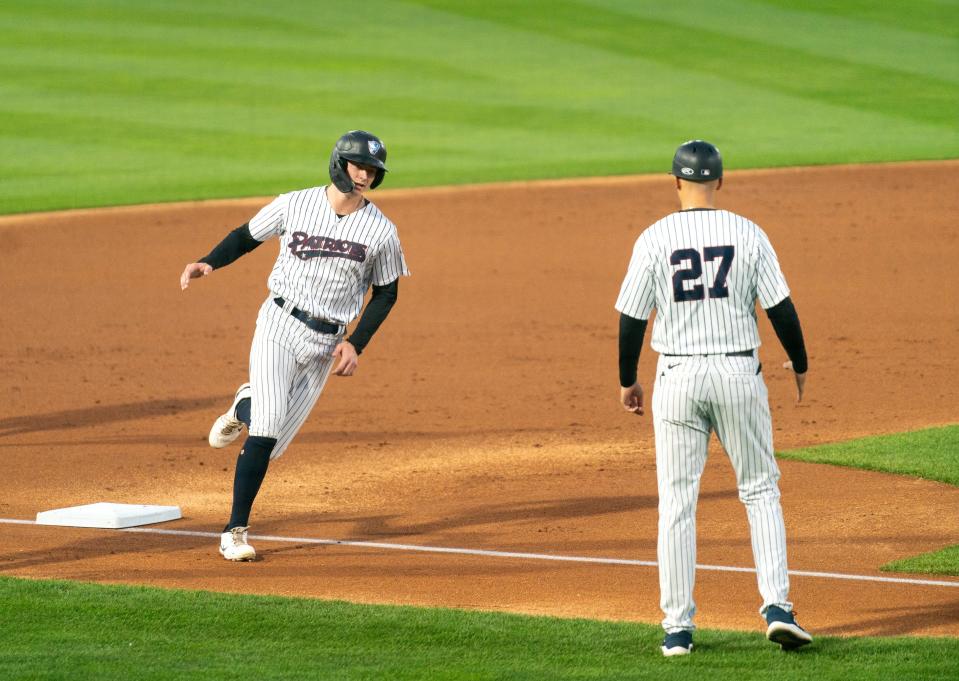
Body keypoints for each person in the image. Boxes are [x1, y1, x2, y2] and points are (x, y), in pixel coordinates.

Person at [615, 140, 811, 656]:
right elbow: (781, 308)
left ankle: (677, 629)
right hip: (737, 374)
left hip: (677, 378)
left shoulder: (654, 238)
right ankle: (777, 607)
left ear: (675, 181)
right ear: (720, 181)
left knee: (677, 504)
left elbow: (632, 317)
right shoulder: (748, 233)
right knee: (760, 490)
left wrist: (627, 379)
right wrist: (801, 362)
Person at [180, 130, 409, 562]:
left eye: (373, 171)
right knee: (265, 430)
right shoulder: (295, 204)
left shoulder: (381, 231)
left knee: (273, 442)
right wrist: (209, 260)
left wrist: (355, 343)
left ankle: (241, 406)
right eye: (359, 166)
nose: (365, 176)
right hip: (279, 325)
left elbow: (386, 293)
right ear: (340, 164)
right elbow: (246, 235)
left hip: (326, 343)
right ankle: (234, 532)